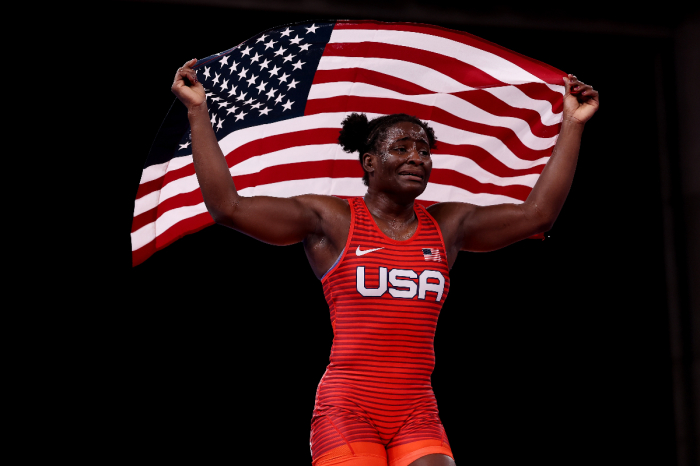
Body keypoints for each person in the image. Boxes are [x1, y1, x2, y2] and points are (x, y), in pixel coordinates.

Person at [171, 58, 599, 466]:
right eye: (403, 148)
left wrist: (572, 125)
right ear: (369, 163)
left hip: (417, 410)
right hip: (347, 407)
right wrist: (197, 112)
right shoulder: (333, 220)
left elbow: (537, 215)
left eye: (425, 150)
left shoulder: (448, 225)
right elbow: (228, 207)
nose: (417, 157)